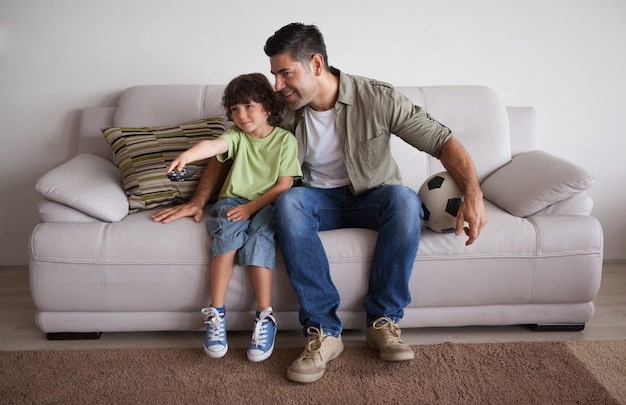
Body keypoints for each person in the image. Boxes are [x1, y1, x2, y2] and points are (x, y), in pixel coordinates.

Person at [153, 23, 488, 383]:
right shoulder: (282, 108)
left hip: (371, 196)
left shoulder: (377, 97)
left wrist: (473, 192)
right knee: (290, 203)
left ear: (315, 64)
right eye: (274, 75)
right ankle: (324, 332)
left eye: (285, 73)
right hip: (315, 199)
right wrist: (199, 199)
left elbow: (442, 141)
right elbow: (231, 149)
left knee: (405, 201)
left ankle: (383, 322)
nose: (278, 86)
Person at [165, 73, 301, 363]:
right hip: (233, 201)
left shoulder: (285, 140)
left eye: (249, 106)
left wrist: (252, 210)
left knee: (260, 241)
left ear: (267, 107)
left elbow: (283, 185)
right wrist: (187, 156)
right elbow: (214, 146)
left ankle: (264, 317)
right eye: (235, 109)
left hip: (269, 205)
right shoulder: (236, 137)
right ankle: (216, 314)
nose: (242, 115)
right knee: (226, 237)